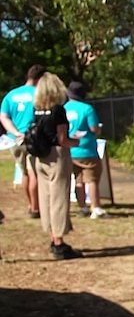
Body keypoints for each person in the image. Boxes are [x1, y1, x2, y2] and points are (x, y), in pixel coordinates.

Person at [33, 73, 82, 259]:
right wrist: (77, 142)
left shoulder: (37, 110)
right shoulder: (58, 111)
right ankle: (60, 242)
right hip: (57, 156)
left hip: (41, 156)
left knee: (45, 198)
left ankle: (52, 235)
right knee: (59, 198)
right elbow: (62, 139)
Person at [1, 64, 46, 218]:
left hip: (14, 140)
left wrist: (14, 132)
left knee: (24, 173)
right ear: (40, 78)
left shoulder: (11, 95)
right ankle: (35, 208)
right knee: (34, 172)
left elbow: (4, 116)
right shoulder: (38, 94)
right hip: (32, 138)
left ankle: (30, 203)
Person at [64, 81, 107, 219]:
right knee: (92, 180)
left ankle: (82, 207)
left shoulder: (63, 109)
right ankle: (96, 207)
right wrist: (98, 129)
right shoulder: (87, 109)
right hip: (87, 150)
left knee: (78, 180)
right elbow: (94, 128)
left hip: (70, 150)